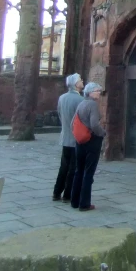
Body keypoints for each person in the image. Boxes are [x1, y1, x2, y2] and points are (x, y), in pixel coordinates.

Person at [70, 82, 105, 211]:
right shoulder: (92, 105)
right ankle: (84, 203)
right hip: (91, 141)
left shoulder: (82, 103)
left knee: (78, 171)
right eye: (97, 90)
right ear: (89, 92)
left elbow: (72, 123)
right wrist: (102, 133)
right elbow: (94, 124)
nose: (99, 93)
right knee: (88, 172)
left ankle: (75, 201)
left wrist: (78, 135)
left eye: (99, 91)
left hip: (80, 142)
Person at [52, 73, 84, 202]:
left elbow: (60, 113)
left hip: (65, 136)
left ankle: (56, 192)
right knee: (73, 167)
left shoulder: (62, 98)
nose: (82, 81)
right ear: (76, 84)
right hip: (76, 138)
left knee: (64, 166)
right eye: (80, 80)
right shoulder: (80, 100)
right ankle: (67, 195)